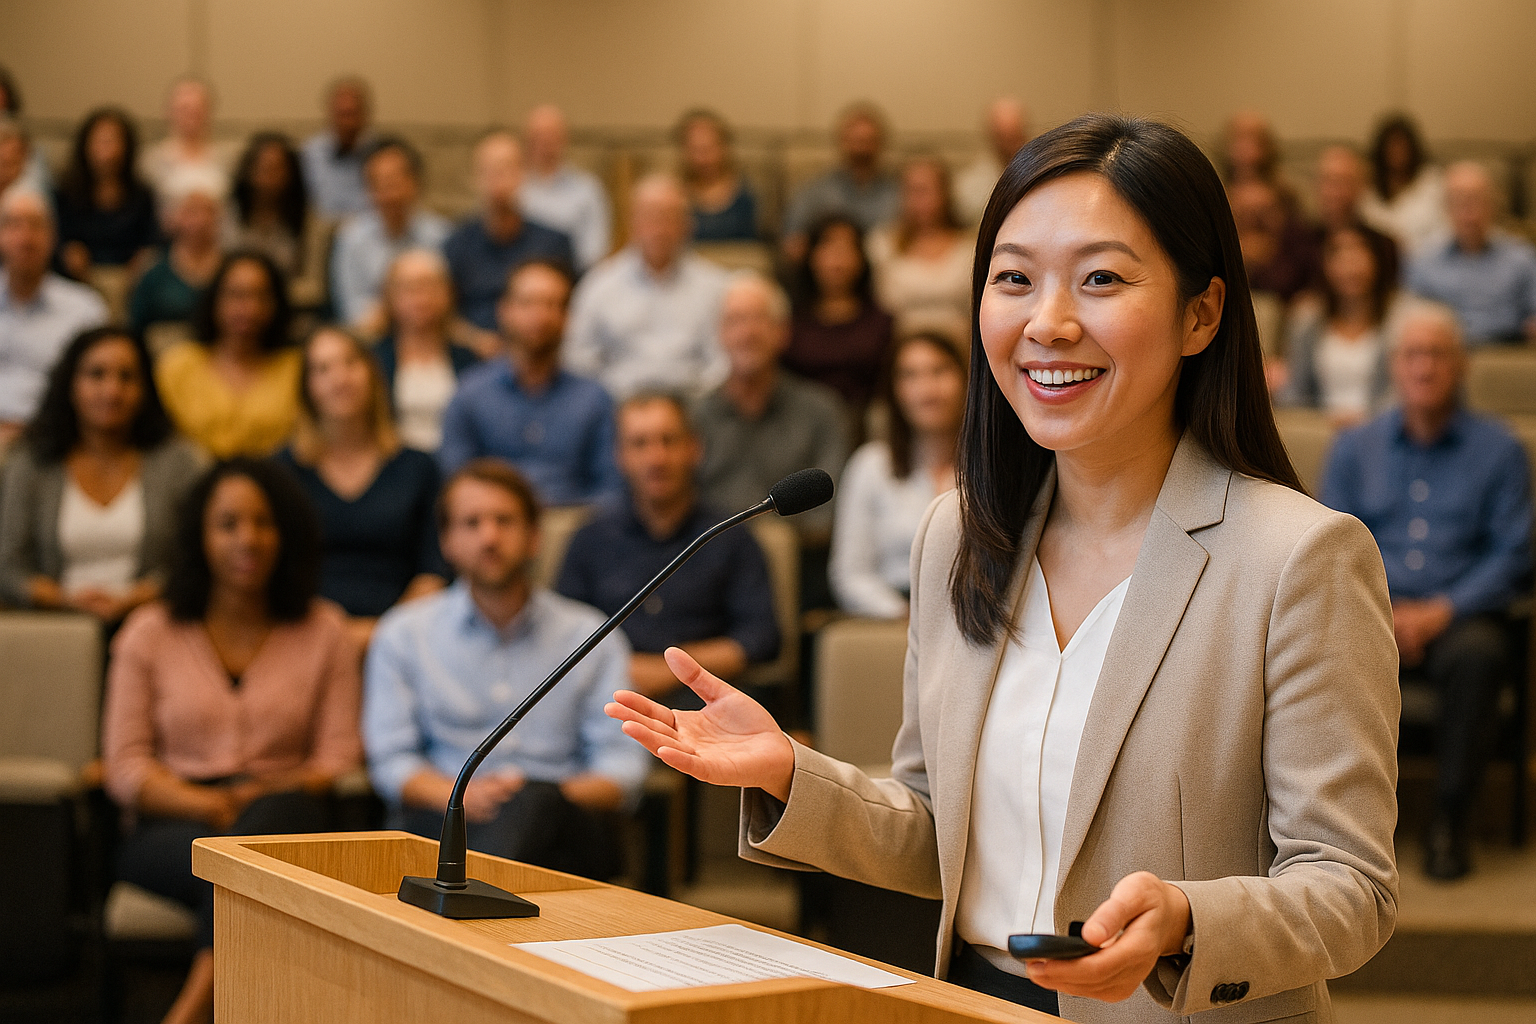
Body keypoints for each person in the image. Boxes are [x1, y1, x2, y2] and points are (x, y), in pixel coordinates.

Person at [607, 115, 1400, 1022]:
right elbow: (940, 831)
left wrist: (1190, 920)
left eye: (1101, 279)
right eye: (1014, 279)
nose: (1049, 323)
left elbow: (1351, 889)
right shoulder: (958, 533)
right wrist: (789, 771)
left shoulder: (1297, 557)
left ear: (1201, 314)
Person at [102, 458, 362, 1024]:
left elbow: (338, 756)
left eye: (263, 522)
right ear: (199, 536)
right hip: (172, 824)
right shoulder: (148, 631)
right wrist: (211, 805)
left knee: (270, 828)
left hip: (286, 815)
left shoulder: (326, 630)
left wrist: (256, 797)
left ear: (285, 533)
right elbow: (125, 766)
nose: (248, 539)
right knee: (245, 868)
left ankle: (192, 1009)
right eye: (228, 523)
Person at [1321, 304, 1531, 880]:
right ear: (1394, 365)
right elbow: (1328, 547)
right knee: (1308, 650)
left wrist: (1440, 613)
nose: (1425, 366)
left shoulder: (1500, 449)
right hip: (1369, 614)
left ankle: (1448, 823)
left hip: (1459, 616)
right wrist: (1384, 614)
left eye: (1438, 354)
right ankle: (1332, 835)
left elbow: (1514, 551)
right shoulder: (1354, 448)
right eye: (1413, 354)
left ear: (1461, 366)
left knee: (1481, 655)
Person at [363, 459, 649, 878]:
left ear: (535, 537)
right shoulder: (404, 633)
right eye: (472, 522)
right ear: (446, 541)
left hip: (565, 830)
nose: (490, 536)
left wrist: (536, 798)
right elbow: (391, 760)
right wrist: (463, 795)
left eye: (504, 521)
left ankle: (473, 899)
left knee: (537, 804)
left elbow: (623, 768)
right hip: (445, 818)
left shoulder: (590, 635)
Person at [558, 393, 778, 705]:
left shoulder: (730, 535)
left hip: (708, 704)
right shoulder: (589, 539)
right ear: (620, 455)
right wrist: (620, 668)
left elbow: (760, 638)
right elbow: (561, 634)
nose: (656, 458)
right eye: (640, 443)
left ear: (694, 448)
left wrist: (668, 670)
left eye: (668, 440)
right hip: (610, 700)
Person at [0, 327, 203, 621]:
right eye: (96, 374)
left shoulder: (178, 462)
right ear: (70, 384)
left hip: (153, 624)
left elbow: (196, 558)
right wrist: (63, 599)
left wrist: (142, 597)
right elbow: (7, 567)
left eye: (127, 377)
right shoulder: (31, 462)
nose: (112, 391)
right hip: (54, 630)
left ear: (145, 388)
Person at [276, 326, 446, 650]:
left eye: (351, 363)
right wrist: (329, 636)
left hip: (403, 637)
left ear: (373, 374)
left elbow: (433, 572)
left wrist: (384, 633)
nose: (340, 379)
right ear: (306, 388)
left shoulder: (418, 467)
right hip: (300, 638)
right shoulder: (283, 472)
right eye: (322, 369)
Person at [439, 260, 620, 506]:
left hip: (573, 524)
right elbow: (455, 480)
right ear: (504, 310)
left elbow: (611, 488)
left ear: (567, 317)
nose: (539, 315)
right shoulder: (470, 394)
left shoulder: (594, 399)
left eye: (551, 304)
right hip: (493, 525)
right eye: (528, 303)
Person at [694, 272, 849, 544]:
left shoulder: (821, 411)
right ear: (720, 334)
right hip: (709, 556)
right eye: (735, 321)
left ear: (783, 332)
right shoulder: (693, 416)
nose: (748, 333)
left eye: (759, 319)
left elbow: (828, 510)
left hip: (800, 556)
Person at [829, 331, 965, 619]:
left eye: (939, 371)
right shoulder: (871, 465)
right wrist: (901, 613)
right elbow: (850, 575)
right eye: (910, 375)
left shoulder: (991, 467)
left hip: (974, 616)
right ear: (894, 390)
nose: (927, 389)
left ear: (966, 380)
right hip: (893, 617)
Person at [565, 173, 729, 398]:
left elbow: (723, 361)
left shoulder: (717, 288)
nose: (659, 228)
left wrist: (700, 399)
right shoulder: (598, 286)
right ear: (632, 223)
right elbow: (578, 359)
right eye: (650, 217)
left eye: (669, 217)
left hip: (693, 409)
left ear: (687, 225)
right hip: (619, 409)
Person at [155, 251, 301, 458]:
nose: (250, 308)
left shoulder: (296, 367)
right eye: (236, 294)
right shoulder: (177, 365)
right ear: (214, 299)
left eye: (261, 296)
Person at [0, 188, 109, 447]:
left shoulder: (85, 309)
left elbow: (98, 388)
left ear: (52, 237)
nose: (25, 237)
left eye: (35, 226)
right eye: (13, 225)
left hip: (55, 441)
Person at [443, 131, 575, 339]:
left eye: (507, 169)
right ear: (474, 177)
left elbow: (569, 311)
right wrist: (476, 341)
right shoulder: (455, 244)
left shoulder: (554, 244)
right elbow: (446, 316)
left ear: (523, 174)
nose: (498, 178)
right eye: (489, 170)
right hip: (474, 357)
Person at [1279, 225, 1402, 424]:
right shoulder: (1306, 321)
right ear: (1326, 264)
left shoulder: (1401, 321)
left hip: (1382, 429)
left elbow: (1402, 395)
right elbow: (1295, 393)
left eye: (1358, 251)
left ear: (1377, 259)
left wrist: (1363, 420)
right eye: (1339, 253)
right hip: (1320, 431)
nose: (1350, 263)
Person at [1404, 161, 1536, 346]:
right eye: (1459, 201)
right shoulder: (1423, 261)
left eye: (1476, 200)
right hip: (1444, 356)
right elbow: (1411, 320)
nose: (1469, 212)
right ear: (1445, 207)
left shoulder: (1522, 258)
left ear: (1493, 204)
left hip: (1508, 350)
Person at [783, 215, 894, 428]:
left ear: (861, 258)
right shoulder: (791, 321)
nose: (837, 259)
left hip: (865, 422)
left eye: (847, 249)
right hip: (801, 424)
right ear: (811, 256)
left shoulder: (881, 322)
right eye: (828, 248)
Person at [330, 137, 450, 333]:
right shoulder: (350, 240)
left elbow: (447, 304)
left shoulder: (441, 236)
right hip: (374, 339)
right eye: (378, 184)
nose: (389, 194)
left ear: (416, 183)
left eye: (395, 181)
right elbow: (352, 315)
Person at [372, 248, 480, 451]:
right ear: (389, 296)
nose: (421, 297)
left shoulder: (469, 357)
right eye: (409, 288)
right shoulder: (373, 359)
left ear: (448, 293)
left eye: (430, 286)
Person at [867, 156, 974, 339]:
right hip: (902, 348)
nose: (919, 199)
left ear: (945, 193)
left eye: (925, 190)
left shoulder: (969, 247)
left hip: (960, 346)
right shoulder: (882, 244)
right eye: (912, 191)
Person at [781, 103, 901, 263]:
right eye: (856, 141)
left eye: (868, 141)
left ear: (881, 144)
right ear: (841, 142)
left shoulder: (898, 193)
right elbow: (792, 238)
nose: (862, 149)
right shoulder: (816, 191)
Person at [54, 107, 161, 282]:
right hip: (78, 279)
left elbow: (151, 240)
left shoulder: (141, 194)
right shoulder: (67, 192)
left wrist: (143, 259)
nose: (106, 150)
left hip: (128, 280)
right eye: (100, 141)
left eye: (113, 141)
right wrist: (69, 251)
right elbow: (58, 236)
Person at [227, 132, 325, 307]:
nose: (269, 177)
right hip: (239, 309)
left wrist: (268, 295)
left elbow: (314, 287)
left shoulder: (308, 222)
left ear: (291, 173)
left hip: (290, 310)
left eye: (277, 168)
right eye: (263, 168)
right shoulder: (232, 216)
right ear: (248, 171)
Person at [127, 172, 223, 340]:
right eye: (191, 211)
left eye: (207, 211)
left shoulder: (231, 269)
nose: (200, 220)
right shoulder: (153, 267)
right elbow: (136, 323)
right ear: (174, 217)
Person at [519, 104, 611, 272]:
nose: (545, 142)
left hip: (572, 281)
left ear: (564, 138)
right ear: (527, 140)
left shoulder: (588, 190)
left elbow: (594, 254)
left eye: (551, 135)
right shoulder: (514, 190)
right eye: (538, 136)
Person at [1302, 146, 1399, 291]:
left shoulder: (1384, 247)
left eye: (1343, 182)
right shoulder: (1299, 243)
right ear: (1315, 186)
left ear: (1362, 187)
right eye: (1328, 181)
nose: (1334, 192)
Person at [1360, 114, 1449, 257]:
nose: (1397, 151)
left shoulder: (1433, 183)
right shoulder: (1367, 191)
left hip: (1425, 263)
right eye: (1391, 145)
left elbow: (1445, 234)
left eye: (1402, 145)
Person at [139, 78, 235, 208]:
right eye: (184, 109)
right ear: (169, 111)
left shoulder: (227, 161)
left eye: (197, 109)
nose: (191, 116)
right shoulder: (150, 161)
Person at [675, 108, 757, 242]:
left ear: (724, 147)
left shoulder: (746, 196)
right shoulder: (673, 197)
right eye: (696, 150)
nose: (703, 159)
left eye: (708, 149)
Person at [1227, 178, 1315, 304]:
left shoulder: (1295, 241)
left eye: (1263, 211)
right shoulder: (1228, 245)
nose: (1255, 220)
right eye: (1247, 213)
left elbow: (1290, 283)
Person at [301, 76, 376, 220]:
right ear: (330, 114)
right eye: (342, 114)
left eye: (353, 114)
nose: (348, 123)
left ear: (365, 115)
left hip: (368, 235)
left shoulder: (379, 152)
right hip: (324, 231)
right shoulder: (310, 154)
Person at [955, 97, 1029, 226]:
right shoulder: (970, 184)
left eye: (1014, 135)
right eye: (1003, 137)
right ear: (991, 137)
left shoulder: (1040, 171)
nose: (1009, 144)